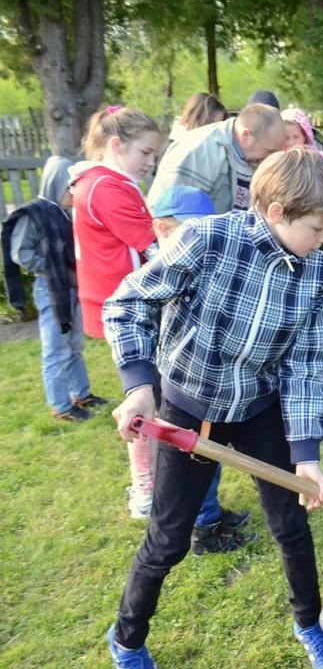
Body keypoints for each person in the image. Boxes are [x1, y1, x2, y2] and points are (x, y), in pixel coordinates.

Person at [102, 148, 323, 669]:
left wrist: (306, 454)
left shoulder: (315, 276)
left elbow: (306, 365)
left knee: (292, 526)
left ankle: (310, 624)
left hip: (258, 407)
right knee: (168, 539)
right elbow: (128, 304)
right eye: (317, 228)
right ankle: (127, 639)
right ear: (277, 212)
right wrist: (138, 386)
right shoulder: (209, 240)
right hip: (188, 408)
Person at [149, 185, 255, 555]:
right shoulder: (159, 268)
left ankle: (210, 511)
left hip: (205, 385)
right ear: (163, 228)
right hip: (177, 385)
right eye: (189, 228)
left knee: (209, 452)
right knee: (191, 457)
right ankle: (204, 528)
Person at [71, 106, 163, 520]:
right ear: (115, 145)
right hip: (127, 309)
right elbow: (152, 243)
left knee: (149, 396)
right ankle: (148, 490)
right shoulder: (108, 187)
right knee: (144, 399)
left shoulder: (98, 182)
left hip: (118, 304)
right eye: (145, 152)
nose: (150, 162)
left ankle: (153, 486)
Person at [4, 156, 105, 421]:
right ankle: (61, 406)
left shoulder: (65, 212)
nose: (72, 193)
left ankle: (81, 394)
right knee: (56, 349)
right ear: (55, 183)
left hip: (71, 287)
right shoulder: (34, 213)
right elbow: (20, 253)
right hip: (50, 289)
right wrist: (52, 268)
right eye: (68, 188)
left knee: (73, 345)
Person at [147, 103, 287, 215]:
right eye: (268, 150)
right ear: (246, 135)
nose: (271, 157)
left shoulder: (253, 157)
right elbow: (167, 212)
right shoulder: (197, 151)